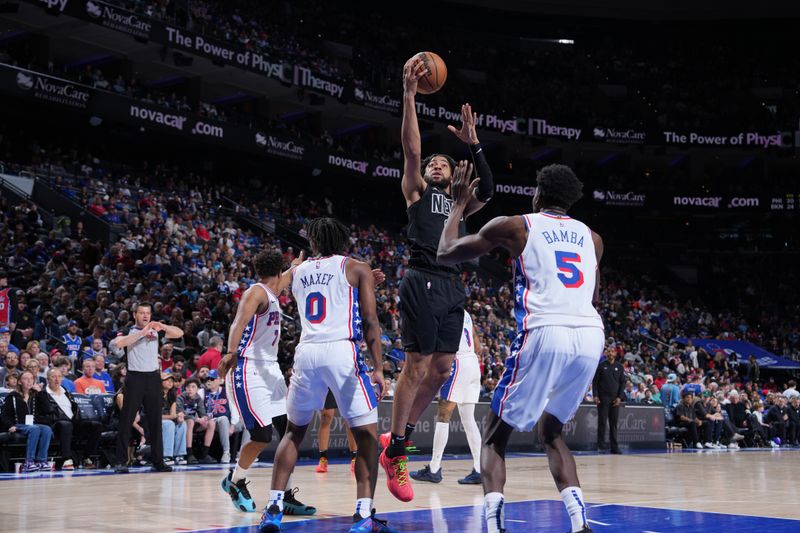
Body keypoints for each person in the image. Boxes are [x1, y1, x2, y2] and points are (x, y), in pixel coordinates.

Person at [436, 162, 603, 533]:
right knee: (551, 432)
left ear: (538, 193)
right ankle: (580, 524)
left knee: (495, 434)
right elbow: (591, 294)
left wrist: (459, 205)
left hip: (545, 329)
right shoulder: (593, 237)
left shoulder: (516, 224)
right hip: (590, 333)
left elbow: (446, 252)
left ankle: (494, 526)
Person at [380, 56, 494, 503]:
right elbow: (411, 150)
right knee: (417, 366)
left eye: (444, 164)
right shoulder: (418, 192)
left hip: (453, 285)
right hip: (422, 277)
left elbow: (487, 186)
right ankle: (399, 451)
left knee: (443, 367)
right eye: (433, 165)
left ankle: (400, 441)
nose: (436, 166)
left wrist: (475, 144)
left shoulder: (462, 204)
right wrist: (409, 95)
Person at [260, 218, 394, 533]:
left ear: (315, 243)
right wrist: (377, 367)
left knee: (293, 433)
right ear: (342, 240)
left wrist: (294, 265)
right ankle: (363, 515)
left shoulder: (298, 271)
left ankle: (274, 507)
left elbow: (277, 289)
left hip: (306, 353)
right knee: (366, 437)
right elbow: (371, 322)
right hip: (341, 353)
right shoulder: (357, 267)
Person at [218, 250, 315, 517]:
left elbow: (284, 279)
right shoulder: (256, 292)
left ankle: (284, 494)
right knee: (261, 435)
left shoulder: (272, 289)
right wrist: (229, 352)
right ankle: (235, 481)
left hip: (270, 370)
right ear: (278, 267)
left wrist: (296, 265)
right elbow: (238, 322)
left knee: (289, 433)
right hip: (248, 368)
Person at [110, 301, 184, 473]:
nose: (145, 315)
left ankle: (158, 460)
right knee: (127, 419)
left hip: (153, 378)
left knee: (155, 420)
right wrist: (142, 333)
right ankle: (121, 461)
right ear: (135, 314)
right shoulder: (129, 331)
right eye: (141, 312)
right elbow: (119, 343)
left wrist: (162, 325)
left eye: (148, 313)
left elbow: (179, 333)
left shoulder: (155, 331)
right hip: (135, 378)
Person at [410, 312, 483, 484]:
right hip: (473, 362)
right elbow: (477, 344)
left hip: (458, 362)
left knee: (443, 416)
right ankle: (480, 469)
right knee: (468, 419)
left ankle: (434, 469)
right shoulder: (466, 313)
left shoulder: (444, 308)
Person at [44, 367, 102, 470]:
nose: (57, 379)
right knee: (66, 424)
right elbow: (43, 415)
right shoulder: (43, 394)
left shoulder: (66, 392)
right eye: (53, 377)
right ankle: (66, 458)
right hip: (56, 424)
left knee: (96, 426)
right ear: (48, 379)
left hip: (72, 423)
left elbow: (74, 409)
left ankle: (86, 457)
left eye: (59, 377)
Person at [0, 370, 54, 472]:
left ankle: (41, 461)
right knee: (35, 429)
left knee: (46, 429)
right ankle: (29, 461)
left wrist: (40, 392)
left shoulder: (36, 395)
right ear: (20, 382)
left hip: (32, 425)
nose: (29, 381)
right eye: (26, 379)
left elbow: (49, 409)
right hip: (18, 424)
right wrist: (10, 425)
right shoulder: (13, 396)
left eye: (31, 379)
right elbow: (4, 416)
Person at [315, 390, 358, 474]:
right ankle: (323, 458)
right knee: (326, 417)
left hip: (345, 381)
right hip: (328, 382)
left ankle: (355, 458)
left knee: (349, 419)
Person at [593, 347, 626, 454]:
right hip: (603, 399)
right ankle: (601, 446)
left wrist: (619, 397)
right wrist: (595, 395)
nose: (610, 353)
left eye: (612, 352)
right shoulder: (601, 365)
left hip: (615, 399)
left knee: (614, 423)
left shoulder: (619, 367)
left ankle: (614, 447)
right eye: (608, 352)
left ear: (615, 354)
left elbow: (623, 383)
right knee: (602, 422)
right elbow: (595, 382)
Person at [205, 369, 240, 464]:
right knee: (223, 419)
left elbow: (234, 409)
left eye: (212, 379)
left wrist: (232, 425)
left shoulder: (227, 392)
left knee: (249, 424)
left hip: (229, 422)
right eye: (207, 378)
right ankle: (226, 452)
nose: (209, 381)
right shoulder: (202, 392)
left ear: (219, 380)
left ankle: (241, 453)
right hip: (212, 423)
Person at [178, 377, 217, 464]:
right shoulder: (180, 398)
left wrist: (204, 418)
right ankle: (189, 454)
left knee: (211, 423)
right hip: (183, 423)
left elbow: (202, 412)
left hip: (195, 423)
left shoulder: (198, 398)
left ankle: (204, 454)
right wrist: (197, 419)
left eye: (193, 387)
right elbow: (181, 414)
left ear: (197, 389)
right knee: (190, 422)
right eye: (188, 387)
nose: (190, 389)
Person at [160, 373, 187, 465]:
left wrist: (179, 416)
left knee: (182, 424)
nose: (170, 382)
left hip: (167, 420)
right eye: (167, 380)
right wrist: (173, 416)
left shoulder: (172, 395)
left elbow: (173, 413)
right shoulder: (154, 395)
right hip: (154, 421)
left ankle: (179, 455)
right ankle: (166, 456)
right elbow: (155, 415)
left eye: (172, 381)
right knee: (169, 424)